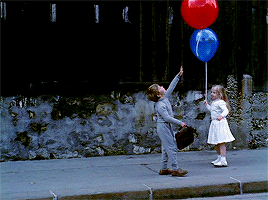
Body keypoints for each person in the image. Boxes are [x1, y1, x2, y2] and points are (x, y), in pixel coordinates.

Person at [147, 66, 188, 176]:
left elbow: (171, 87)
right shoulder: (160, 105)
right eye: (160, 87)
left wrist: (178, 76)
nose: (162, 86)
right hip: (163, 127)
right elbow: (167, 118)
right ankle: (175, 168)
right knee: (172, 147)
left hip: (166, 127)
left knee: (165, 148)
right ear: (158, 94)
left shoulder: (164, 97)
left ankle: (164, 168)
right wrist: (180, 123)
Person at [204, 85, 235, 167]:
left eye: (214, 93)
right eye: (212, 92)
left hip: (220, 124)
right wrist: (207, 105)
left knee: (221, 142)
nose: (212, 94)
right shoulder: (214, 103)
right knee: (216, 142)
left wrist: (222, 116)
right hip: (215, 124)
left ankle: (223, 160)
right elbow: (212, 110)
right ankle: (219, 157)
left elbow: (226, 110)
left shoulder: (221, 102)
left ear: (219, 94)